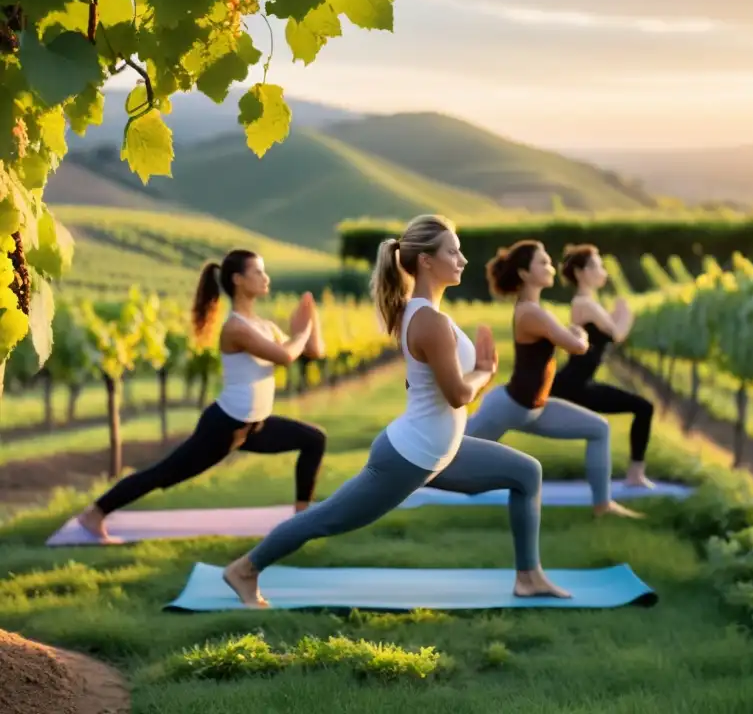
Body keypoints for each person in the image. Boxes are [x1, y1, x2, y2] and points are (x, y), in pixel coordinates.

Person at [222, 215, 570, 608]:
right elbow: (458, 395)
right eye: (453, 252)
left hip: (441, 451)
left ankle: (529, 577)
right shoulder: (428, 320)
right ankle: (245, 569)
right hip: (408, 457)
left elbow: (419, 382)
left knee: (527, 473)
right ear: (425, 261)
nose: (463, 260)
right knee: (326, 519)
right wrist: (484, 373)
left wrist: (473, 374)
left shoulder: (423, 313)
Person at [76, 249, 329, 544]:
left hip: (254, 426)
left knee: (315, 439)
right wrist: (301, 332)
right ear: (237, 280)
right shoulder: (236, 327)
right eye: (258, 272)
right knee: (164, 474)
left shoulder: (264, 325)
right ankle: (94, 513)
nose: (266, 277)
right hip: (224, 427)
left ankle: (300, 519)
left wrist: (311, 317)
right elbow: (286, 355)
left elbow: (313, 352)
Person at [464, 240, 641, 519]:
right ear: (524, 274)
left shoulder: (536, 310)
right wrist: (578, 334)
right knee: (448, 456)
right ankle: (402, 474)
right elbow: (577, 346)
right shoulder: (530, 312)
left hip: (535, 408)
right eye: (543, 262)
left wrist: (572, 332)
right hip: (509, 406)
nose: (551, 267)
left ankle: (603, 506)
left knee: (599, 429)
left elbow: (566, 336)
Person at [550, 244, 655, 488]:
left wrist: (617, 315)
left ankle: (636, 473)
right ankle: (635, 474)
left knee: (643, 408)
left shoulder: (590, 304)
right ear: (581, 272)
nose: (602, 270)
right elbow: (617, 334)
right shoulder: (585, 304)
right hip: (574, 384)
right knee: (644, 408)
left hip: (579, 382)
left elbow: (608, 332)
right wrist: (625, 314)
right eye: (597, 265)